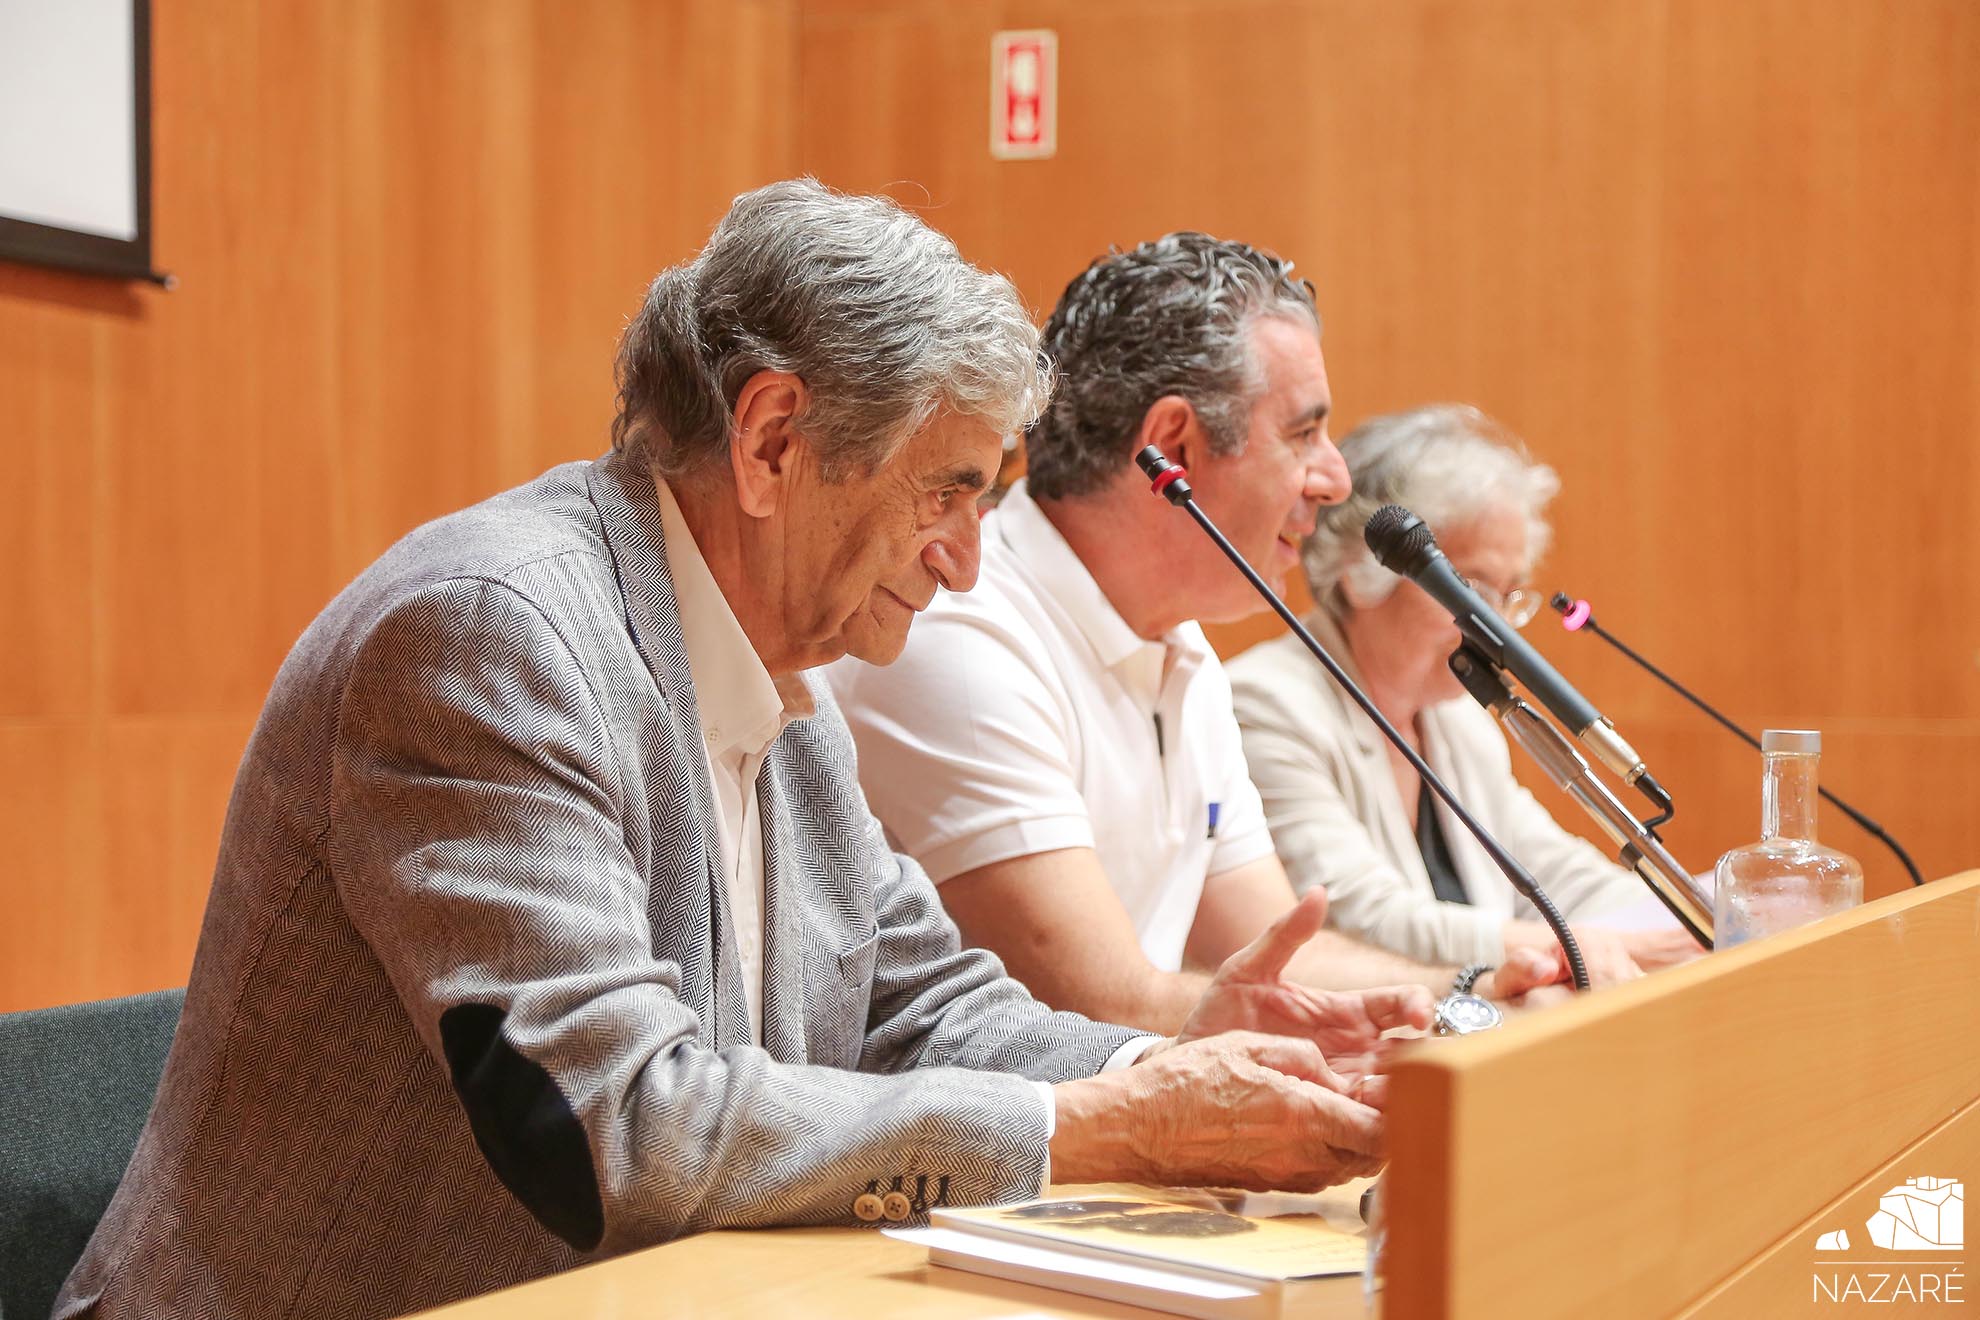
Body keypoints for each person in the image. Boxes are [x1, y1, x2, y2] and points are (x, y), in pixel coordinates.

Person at [54, 184, 1429, 1320]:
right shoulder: (491, 640)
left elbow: (923, 1005)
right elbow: (621, 1127)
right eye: (947, 492)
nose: (964, 562)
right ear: (775, 442)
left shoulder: (790, 684)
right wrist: (1108, 1127)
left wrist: (1167, 1069)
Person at [828, 234, 1566, 1041]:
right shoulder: (966, 636)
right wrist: (1454, 1010)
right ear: (1173, 446)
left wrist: (1468, 988)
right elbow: (1096, 1003)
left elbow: (1275, 960)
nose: (1336, 479)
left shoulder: (1183, 651)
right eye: (1302, 434)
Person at [1226, 404, 1704, 973]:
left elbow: (1557, 876)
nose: (1493, 626)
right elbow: (1357, 917)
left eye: (1507, 595)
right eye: (1469, 588)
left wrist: (1702, 911)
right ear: (1362, 573)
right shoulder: (1266, 705)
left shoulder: (1457, 721)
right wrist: (1597, 948)